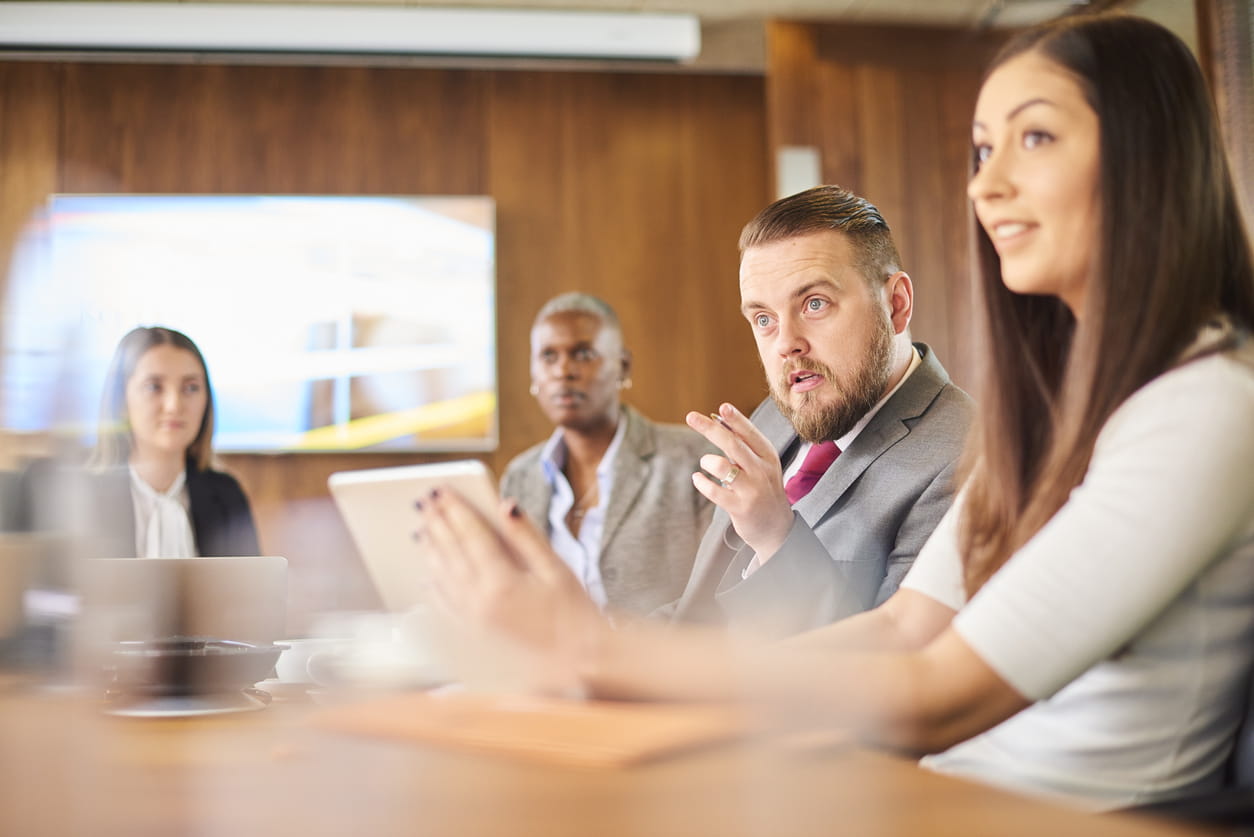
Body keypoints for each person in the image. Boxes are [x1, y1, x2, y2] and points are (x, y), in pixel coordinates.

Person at [417, 12, 1254, 811]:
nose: (987, 184)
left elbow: (934, 695)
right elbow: (899, 632)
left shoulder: (1204, 408)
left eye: (1034, 137)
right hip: (935, 789)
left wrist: (598, 654)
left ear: (1148, 159)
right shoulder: (1060, 411)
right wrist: (608, 680)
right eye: (982, 149)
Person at [664, 185, 973, 637]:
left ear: (896, 305)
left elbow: (895, 678)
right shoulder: (777, 412)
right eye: (763, 319)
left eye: (814, 304)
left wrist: (775, 537)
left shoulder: (969, 458)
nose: (786, 343)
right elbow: (697, 617)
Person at [501, 293, 714, 615]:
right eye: (548, 356)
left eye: (583, 354)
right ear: (533, 372)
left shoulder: (693, 461)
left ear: (623, 366)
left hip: (660, 661)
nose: (563, 371)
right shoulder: (519, 477)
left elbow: (718, 593)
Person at [85, 326, 260, 558]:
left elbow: (254, 591)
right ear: (122, 401)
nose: (174, 405)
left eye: (191, 388)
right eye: (154, 387)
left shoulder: (226, 496)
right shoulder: (82, 497)